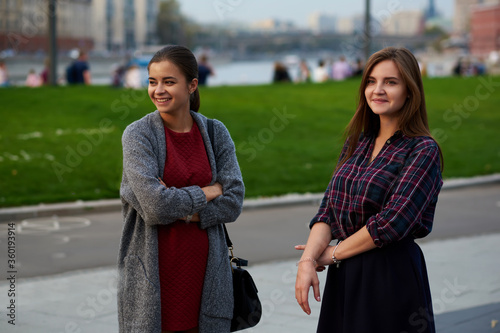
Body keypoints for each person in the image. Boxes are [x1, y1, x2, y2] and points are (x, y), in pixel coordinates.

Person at [295, 47, 443, 333]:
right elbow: (328, 209)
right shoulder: (357, 142)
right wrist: (307, 260)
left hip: (390, 277)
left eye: (391, 82)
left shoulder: (423, 150)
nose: (378, 90)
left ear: (410, 90)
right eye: (371, 81)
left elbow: (390, 223)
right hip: (345, 276)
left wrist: (331, 254)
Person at [118, 45, 245, 333]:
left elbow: (234, 200)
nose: (158, 90)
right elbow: (156, 207)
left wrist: (179, 206)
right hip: (153, 277)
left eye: (169, 81)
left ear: (192, 85)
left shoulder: (215, 132)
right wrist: (209, 191)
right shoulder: (138, 135)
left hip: (207, 277)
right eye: (152, 81)